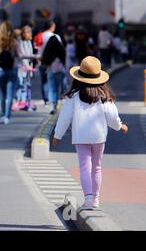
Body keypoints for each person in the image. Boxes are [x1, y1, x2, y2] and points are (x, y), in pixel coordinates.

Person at [52, 56, 128, 210]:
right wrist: (120, 126)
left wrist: (57, 135)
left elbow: (64, 117)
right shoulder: (104, 96)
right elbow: (112, 117)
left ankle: (87, 198)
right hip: (99, 137)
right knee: (97, 167)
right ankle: (96, 199)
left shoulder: (73, 97)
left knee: (84, 167)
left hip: (80, 137)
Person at [0, 21, 19, 125]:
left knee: (2, 94)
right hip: (13, 69)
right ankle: (7, 116)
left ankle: (2, 115)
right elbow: (19, 55)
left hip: (1, 69)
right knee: (11, 94)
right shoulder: (14, 41)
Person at [41, 35, 67, 114]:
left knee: (52, 89)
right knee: (58, 87)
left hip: (50, 70)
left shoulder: (48, 50)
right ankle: (58, 102)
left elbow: (44, 61)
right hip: (60, 70)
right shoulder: (61, 49)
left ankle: (53, 105)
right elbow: (64, 60)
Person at [15, 25, 37, 111]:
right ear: (23, 33)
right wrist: (27, 65)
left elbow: (30, 54)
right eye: (27, 32)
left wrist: (34, 58)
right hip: (22, 67)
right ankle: (19, 102)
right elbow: (22, 55)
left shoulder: (29, 41)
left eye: (29, 32)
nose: (29, 34)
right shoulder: (20, 42)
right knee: (21, 85)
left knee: (27, 85)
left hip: (28, 66)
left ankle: (25, 102)